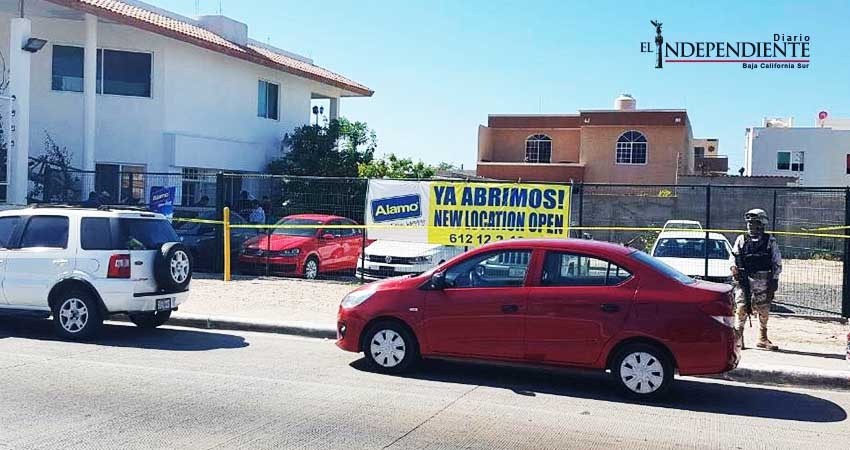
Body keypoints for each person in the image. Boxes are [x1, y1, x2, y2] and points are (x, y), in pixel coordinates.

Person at [731, 208, 782, 351]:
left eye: (753, 223)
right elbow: (733, 257)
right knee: (741, 308)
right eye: (749, 223)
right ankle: (738, 338)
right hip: (744, 281)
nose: (750, 226)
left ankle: (762, 338)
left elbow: (777, 261)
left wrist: (775, 280)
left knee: (764, 310)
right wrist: (733, 269)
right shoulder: (741, 239)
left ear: (761, 224)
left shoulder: (769, 241)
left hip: (763, 281)